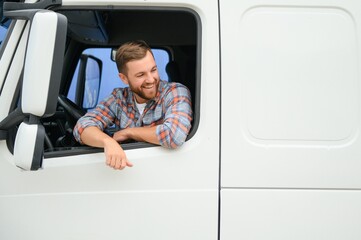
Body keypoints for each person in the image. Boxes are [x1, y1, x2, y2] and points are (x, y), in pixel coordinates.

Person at [73, 40, 193, 170]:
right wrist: (108, 142)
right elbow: (82, 127)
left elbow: (174, 135)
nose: (151, 79)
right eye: (141, 75)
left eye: (153, 70)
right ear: (124, 78)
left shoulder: (175, 92)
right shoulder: (119, 98)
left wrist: (129, 133)